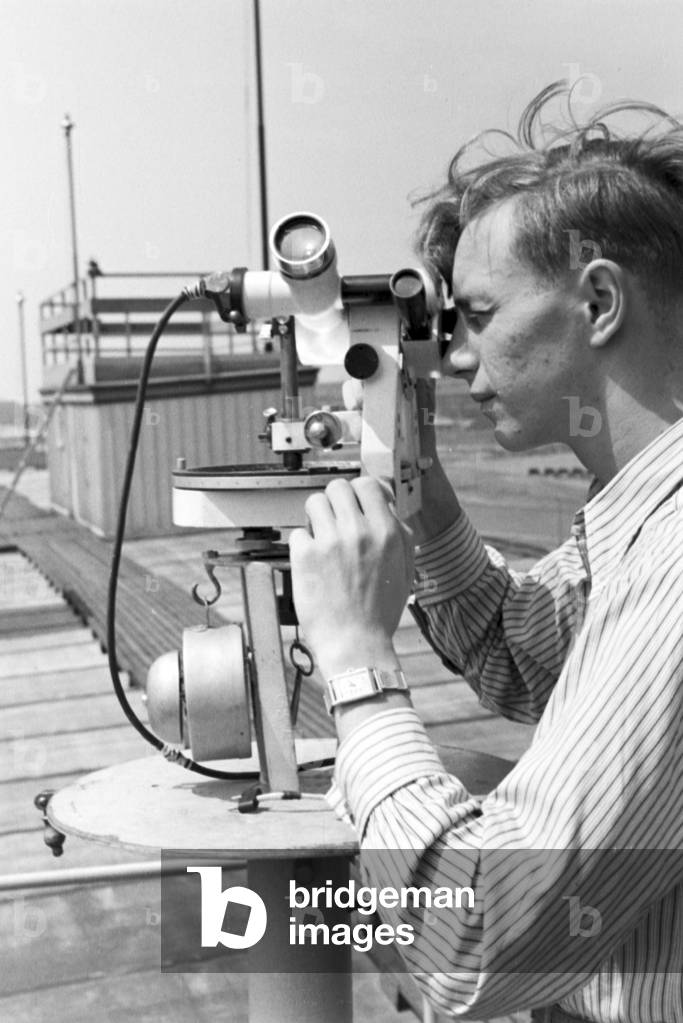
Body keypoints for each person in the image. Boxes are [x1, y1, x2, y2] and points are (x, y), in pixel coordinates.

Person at [289, 81, 683, 1021]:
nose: (452, 355)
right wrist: (421, 496)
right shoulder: (628, 516)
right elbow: (522, 657)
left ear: (596, 302)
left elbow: (476, 936)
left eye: (477, 314)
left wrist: (356, 670)